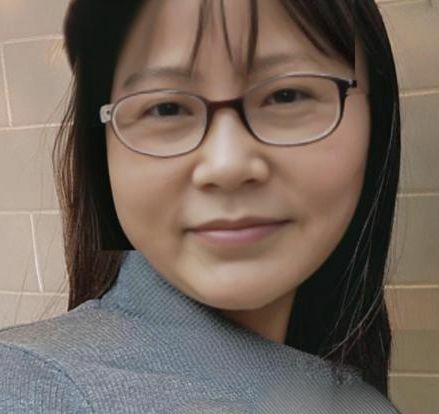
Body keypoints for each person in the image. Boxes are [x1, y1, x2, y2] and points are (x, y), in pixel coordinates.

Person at [0, 0, 402, 412]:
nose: (227, 165)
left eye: (286, 95)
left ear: (376, 119)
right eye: (166, 108)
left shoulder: (349, 392)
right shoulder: (27, 384)